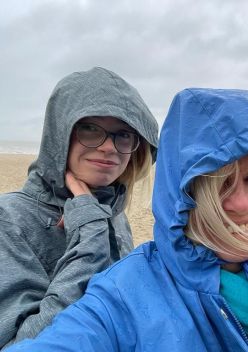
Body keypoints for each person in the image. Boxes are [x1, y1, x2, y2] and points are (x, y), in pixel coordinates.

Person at [6, 88, 248, 351]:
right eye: (216, 182)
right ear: (180, 194)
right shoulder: (122, 296)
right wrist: (91, 229)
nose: (241, 204)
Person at [0, 67, 158, 350]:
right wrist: (90, 237)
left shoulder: (114, 213)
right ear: (60, 134)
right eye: (90, 128)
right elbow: (19, 343)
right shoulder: (9, 217)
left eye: (123, 134)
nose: (109, 147)